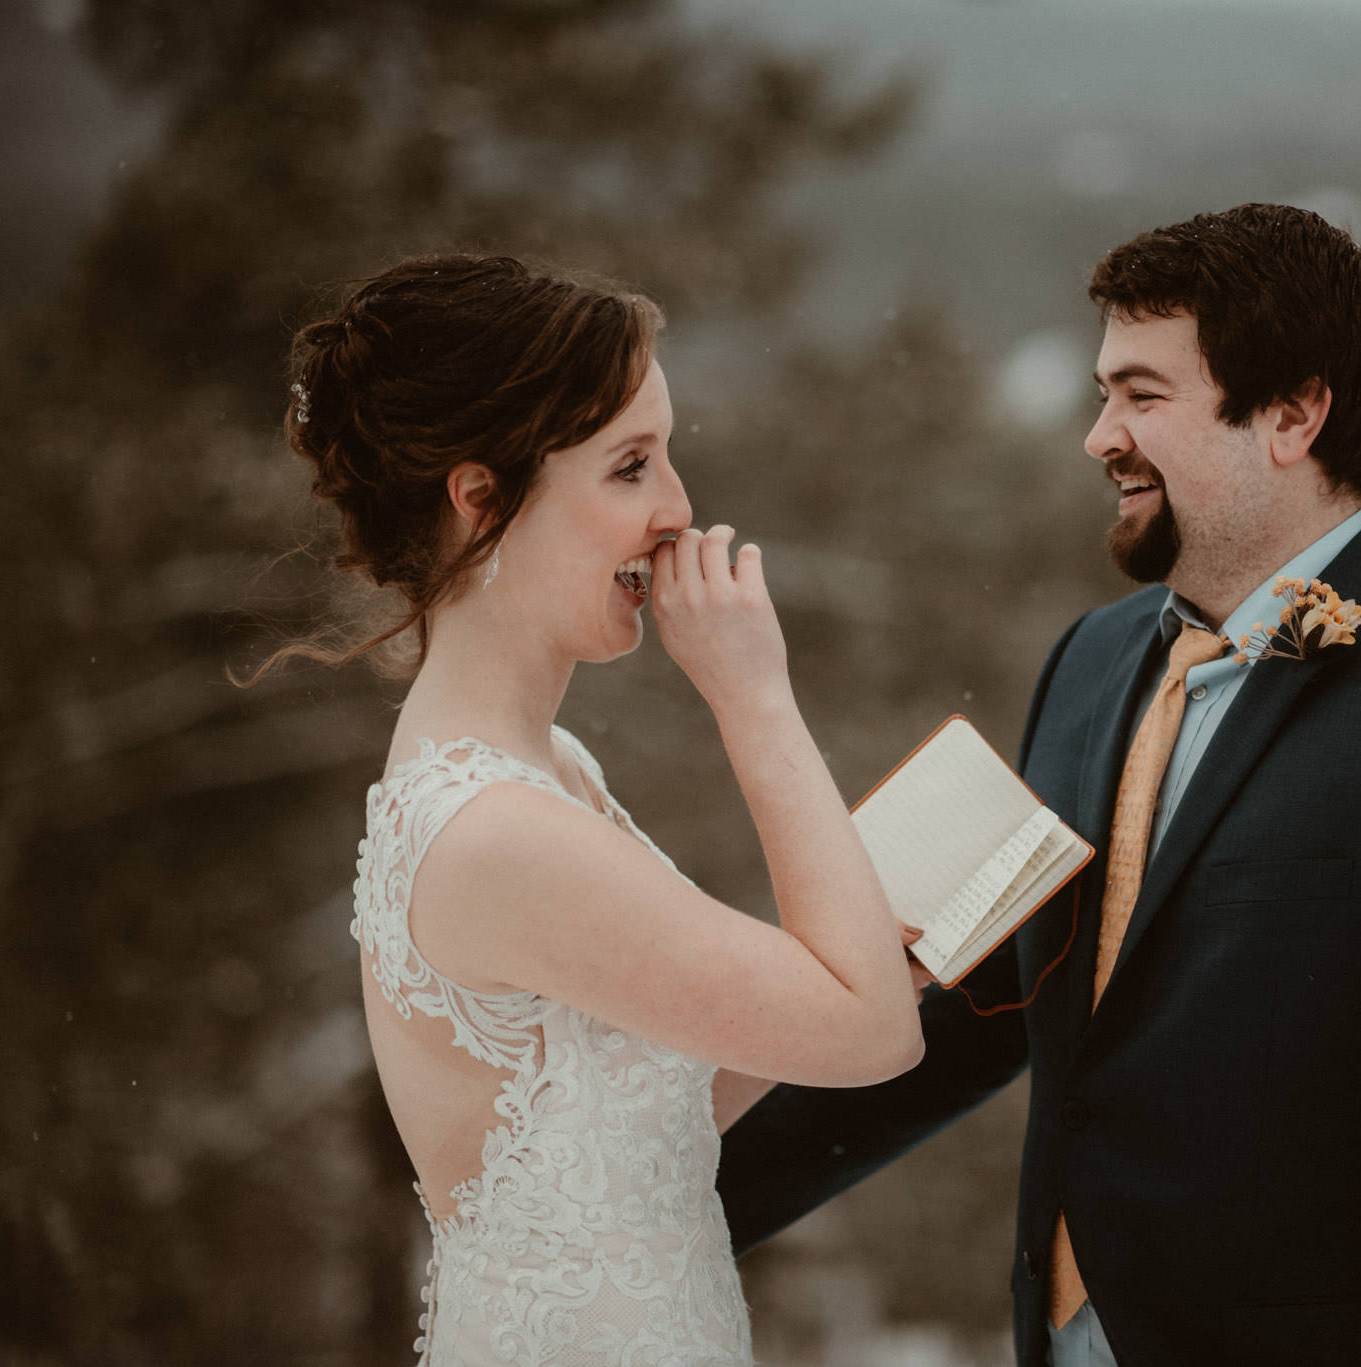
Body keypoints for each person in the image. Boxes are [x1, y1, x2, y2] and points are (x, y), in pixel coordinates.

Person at [718, 204, 1361, 1366]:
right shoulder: (1088, 664)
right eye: (1102, 394)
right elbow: (979, 1006)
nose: (1098, 436)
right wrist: (667, 1205)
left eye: (1142, 396)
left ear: (1293, 415)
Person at [268, 255, 925, 1365]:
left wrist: (853, 966)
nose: (675, 511)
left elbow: (628, 1110)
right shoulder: (500, 832)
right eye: (630, 467)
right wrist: (753, 695)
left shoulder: (548, 766)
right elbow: (870, 1039)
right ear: (480, 499)